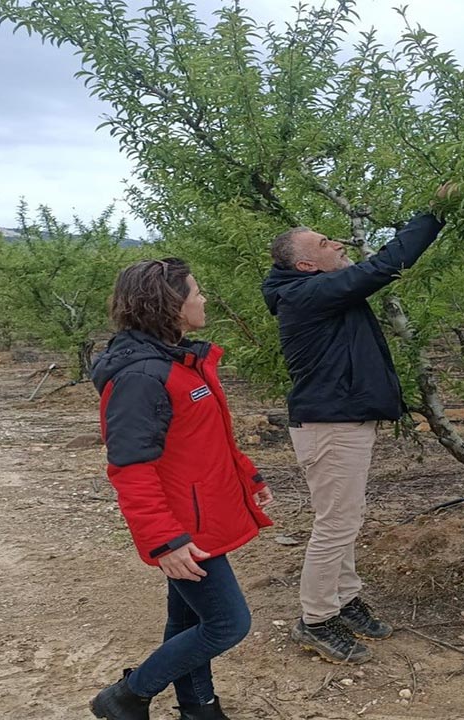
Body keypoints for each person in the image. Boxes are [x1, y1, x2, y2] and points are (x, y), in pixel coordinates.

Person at [260, 184, 455, 664]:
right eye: (326, 243)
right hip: (331, 424)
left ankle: (343, 600)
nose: (338, 244)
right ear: (306, 265)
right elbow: (382, 267)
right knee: (336, 523)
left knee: (346, 518)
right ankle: (316, 618)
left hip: (341, 420)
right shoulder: (306, 294)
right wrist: (432, 211)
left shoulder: (314, 293)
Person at [89, 258, 274, 720]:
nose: (204, 298)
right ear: (171, 304)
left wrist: (247, 476)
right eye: (196, 291)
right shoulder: (141, 376)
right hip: (183, 527)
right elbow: (130, 467)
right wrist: (164, 540)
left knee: (187, 619)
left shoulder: (179, 361)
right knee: (229, 622)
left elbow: (206, 438)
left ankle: (199, 707)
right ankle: (127, 697)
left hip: (200, 515)